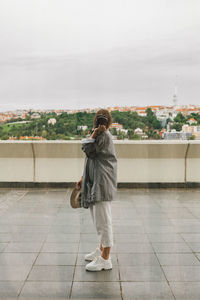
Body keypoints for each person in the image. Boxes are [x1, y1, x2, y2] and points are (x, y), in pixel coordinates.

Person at [77, 108, 117, 271]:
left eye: (102, 120)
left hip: (102, 183)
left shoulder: (104, 136)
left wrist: (94, 134)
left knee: (103, 221)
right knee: (99, 219)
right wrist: (83, 177)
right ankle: (101, 250)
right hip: (96, 181)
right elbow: (90, 158)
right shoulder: (101, 136)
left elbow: (87, 149)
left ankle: (105, 258)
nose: (100, 123)